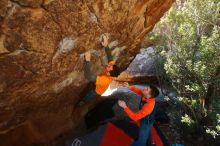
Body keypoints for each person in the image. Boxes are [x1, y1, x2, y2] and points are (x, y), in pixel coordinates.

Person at [82, 35, 120, 101]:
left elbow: (88, 77)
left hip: (101, 91)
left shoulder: (105, 80)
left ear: (108, 73)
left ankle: (83, 101)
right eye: (110, 66)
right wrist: (106, 45)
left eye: (108, 68)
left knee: (92, 93)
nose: (108, 66)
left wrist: (87, 61)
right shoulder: (112, 69)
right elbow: (110, 58)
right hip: (105, 82)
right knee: (96, 80)